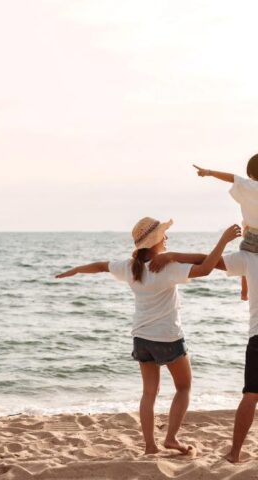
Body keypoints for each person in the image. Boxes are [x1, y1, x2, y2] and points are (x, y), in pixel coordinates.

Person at [55, 217, 240, 455]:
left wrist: (75, 270)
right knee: (184, 387)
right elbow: (205, 269)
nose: (167, 238)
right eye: (164, 235)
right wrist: (223, 240)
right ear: (155, 242)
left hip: (141, 338)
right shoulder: (165, 267)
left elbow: (101, 266)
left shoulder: (130, 267)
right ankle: (171, 438)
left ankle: (150, 446)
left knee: (148, 393)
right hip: (168, 337)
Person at [193, 153, 258, 301]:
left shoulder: (249, 185)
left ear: (252, 173)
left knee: (245, 262)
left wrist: (208, 172)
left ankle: (244, 293)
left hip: (251, 237)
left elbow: (231, 177)